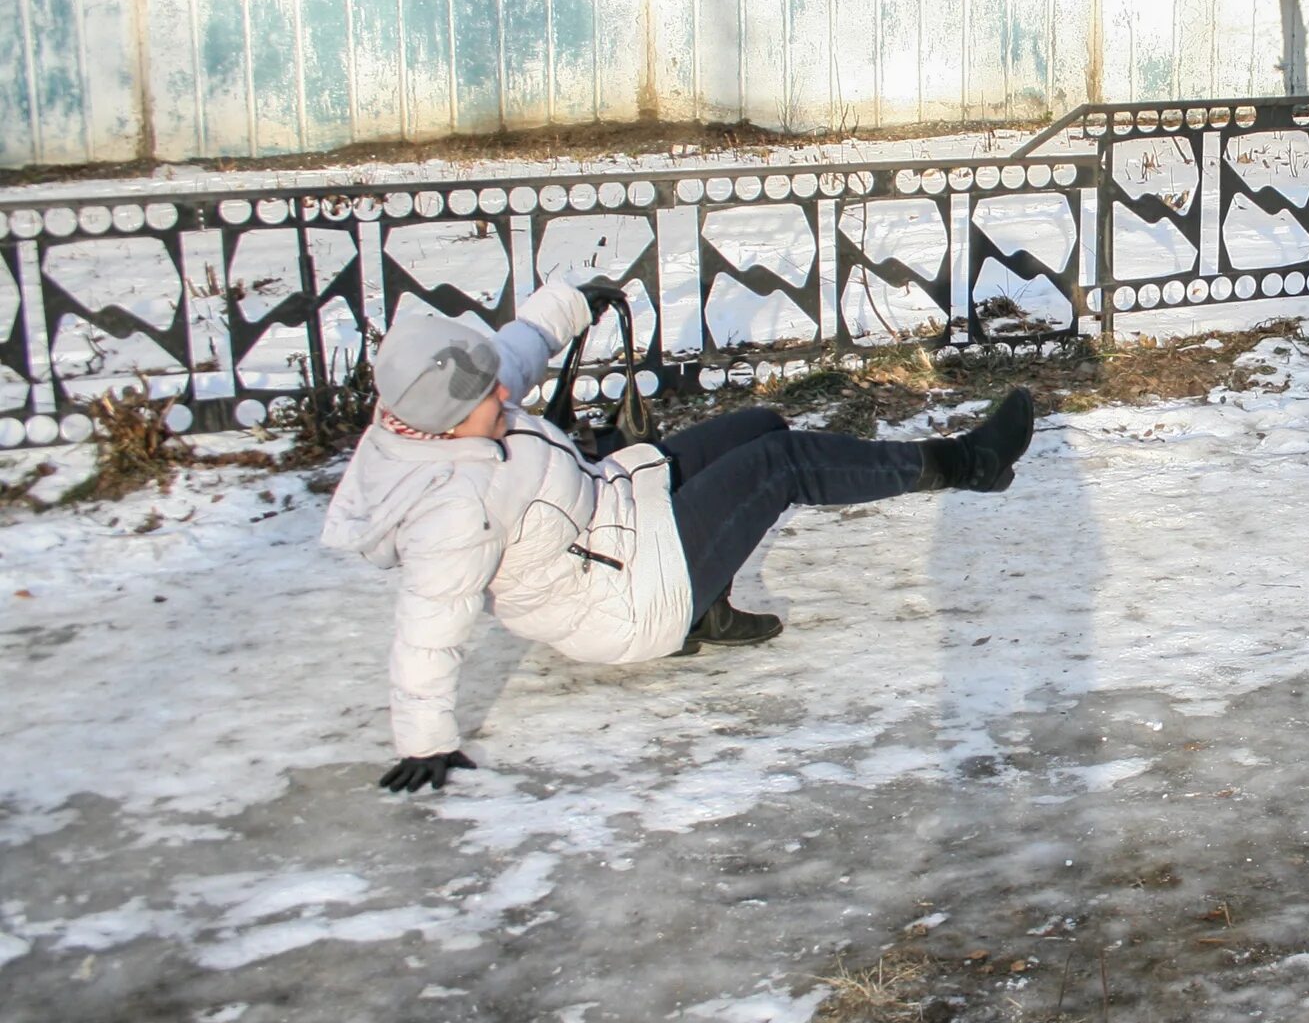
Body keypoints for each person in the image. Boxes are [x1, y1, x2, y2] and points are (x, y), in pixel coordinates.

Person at [321, 280, 1034, 795]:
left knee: (760, 428)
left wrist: (571, 301)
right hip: (630, 595)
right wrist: (424, 741)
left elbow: (514, 354)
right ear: (442, 420)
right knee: (778, 467)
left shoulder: (446, 408)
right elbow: (427, 627)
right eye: (486, 399)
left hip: (623, 517)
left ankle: (712, 604)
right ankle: (970, 461)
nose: (504, 397)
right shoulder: (451, 507)